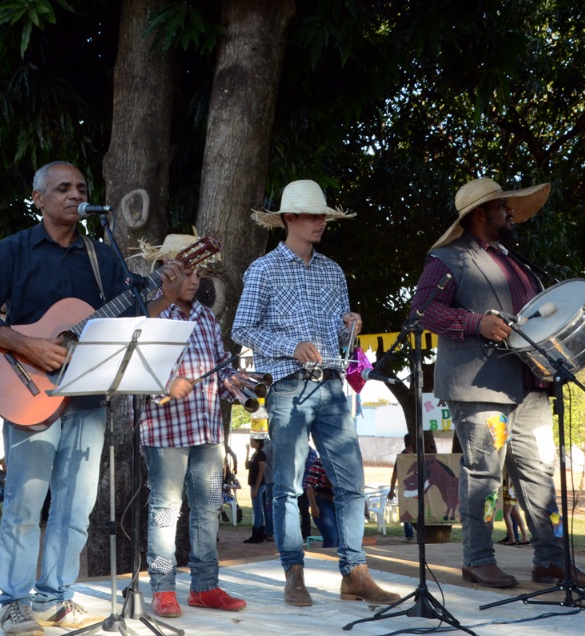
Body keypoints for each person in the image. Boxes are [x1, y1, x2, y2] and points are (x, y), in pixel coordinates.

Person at [0, 160, 185, 635]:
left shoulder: (103, 257)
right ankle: (14, 601)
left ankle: (56, 597)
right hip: (28, 396)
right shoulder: (13, 252)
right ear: (38, 198)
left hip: (87, 400)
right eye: (62, 188)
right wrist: (27, 345)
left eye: (81, 188)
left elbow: (132, 320)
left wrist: (163, 294)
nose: (74, 194)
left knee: (76, 508)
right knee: (25, 501)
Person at [410, 176, 585, 589]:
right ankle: (477, 559)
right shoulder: (448, 257)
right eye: (502, 207)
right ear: (480, 214)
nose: (510, 213)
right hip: (479, 388)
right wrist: (475, 322)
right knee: (483, 475)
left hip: (529, 383)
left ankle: (552, 561)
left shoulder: (514, 261)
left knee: (540, 473)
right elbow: (423, 311)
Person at [232, 179, 399, 606]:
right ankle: (294, 572)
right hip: (287, 388)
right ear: (289, 219)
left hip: (331, 385)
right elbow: (242, 329)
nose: (321, 222)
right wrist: (289, 347)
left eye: (323, 215)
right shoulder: (263, 269)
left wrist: (350, 326)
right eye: (312, 215)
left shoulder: (332, 270)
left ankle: (355, 573)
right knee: (286, 485)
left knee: (352, 483)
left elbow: (342, 341)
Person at [137, 234, 247, 619]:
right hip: (166, 432)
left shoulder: (205, 317)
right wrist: (167, 385)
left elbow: (222, 366)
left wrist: (234, 381)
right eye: (186, 272)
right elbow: (135, 369)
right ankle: (163, 589)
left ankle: (204, 587)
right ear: (166, 273)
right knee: (166, 510)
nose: (194, 279)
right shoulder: (151, 315)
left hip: (207, 431)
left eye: (197, 272)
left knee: (208, 508)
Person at [387, 433, 416, 543]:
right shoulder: (402, 457)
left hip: (419, 489)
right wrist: (391, 490)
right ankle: (409, 535)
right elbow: (395, 474)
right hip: (406, 489)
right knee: (407, 511)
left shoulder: (419, 454)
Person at [243, 437, 268, 544]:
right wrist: (247, 452)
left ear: (258, 443)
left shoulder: (261, 455)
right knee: (258, 510)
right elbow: (247, 466)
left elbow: (261, 472)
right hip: (253, 484)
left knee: (257, 510)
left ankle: (257, 534)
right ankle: (260, 533)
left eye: (253, 441)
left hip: (259, 485)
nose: (251, 443)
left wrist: (256, 488)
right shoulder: (254, 454)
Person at [499, 469, 529, 546]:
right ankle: (525, 536)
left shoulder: (507, 459)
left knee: (506, 514)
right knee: (516, 513)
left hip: (508, 488)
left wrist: (508, 487)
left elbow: (508, 473)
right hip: (514, 488)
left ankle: (512, 538)